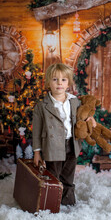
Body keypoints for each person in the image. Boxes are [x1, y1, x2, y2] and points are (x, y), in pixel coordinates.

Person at [33, 63, 96, 206]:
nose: (59, 83)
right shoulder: (42, 106)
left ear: (69, 82)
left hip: (71, 143)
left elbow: (83, 115)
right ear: (48, 82)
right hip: (52, 145)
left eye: (63, 80)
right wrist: (37, 152)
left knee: (68, 175)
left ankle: (68, 202)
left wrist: (90, 119)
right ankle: (51, 203)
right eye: (55, 79)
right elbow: (36, 130)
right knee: (53, 176)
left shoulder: (74, 102)